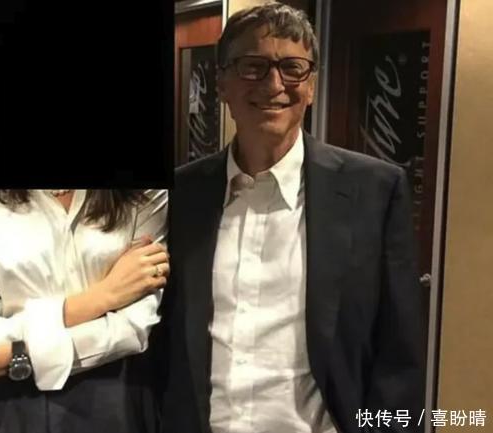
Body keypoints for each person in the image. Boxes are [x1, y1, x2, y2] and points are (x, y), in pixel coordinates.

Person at [157, 3, 426, 433]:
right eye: (253, 66)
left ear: (312, 85)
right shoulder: (180, 194)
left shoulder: (374, 191)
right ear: (222, 83)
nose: (274, 84)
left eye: (293, 68)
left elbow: (399, 359)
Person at [0, 169, 168, 433]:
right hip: (16, 402)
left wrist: (8, 356)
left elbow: (134, 326)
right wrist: (102, 296)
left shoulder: (143, 191)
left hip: (116, 395)